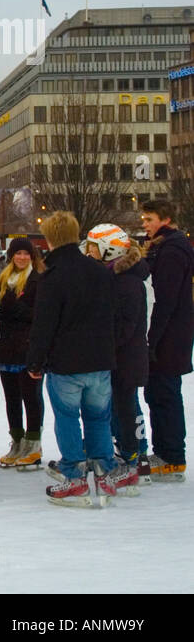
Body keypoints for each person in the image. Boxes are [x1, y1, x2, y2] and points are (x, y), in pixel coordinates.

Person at [26, 212, 123, 507]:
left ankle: (75, 476)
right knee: (98, 417)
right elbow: (113, 315)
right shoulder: (100, 271)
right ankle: (105, 473)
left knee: (68, 418)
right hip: (100, 358)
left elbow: (44, 323)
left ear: (49, 239)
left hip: (66, 362)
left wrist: (35, 361)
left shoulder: (52, 276)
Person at [81, 224, 148, 496]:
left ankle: (132, 460)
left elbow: (125, 325)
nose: (88, 252)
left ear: (109, 249)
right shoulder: (109, 277)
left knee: (125, 406)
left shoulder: (127, 281)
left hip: (125, 357)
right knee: (116, 407)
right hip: (113, 356)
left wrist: (102, 345)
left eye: (93, 247)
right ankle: (119, 454)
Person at [139, 198, 194, 482]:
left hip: (170, 337)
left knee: (165, 394)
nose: (144, 225)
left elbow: (166, 299)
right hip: (168, 335)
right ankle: (164, 451)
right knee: (157, 394)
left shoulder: (172, 250)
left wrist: (152, 337)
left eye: (149, 219)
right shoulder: (163, 247)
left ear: (165, 219)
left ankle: (172, 456)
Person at [0, 237, 46, 470]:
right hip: (7, 347)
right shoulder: (3, 279)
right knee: (11, 398)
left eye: (26, 254)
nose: (22, 257)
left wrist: (15, 307)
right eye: (18, 253)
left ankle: (33, 444)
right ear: (11, 256)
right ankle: (17, 441)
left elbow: (39, 314)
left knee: (30, 396)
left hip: (28, 348)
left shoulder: (38, 280)